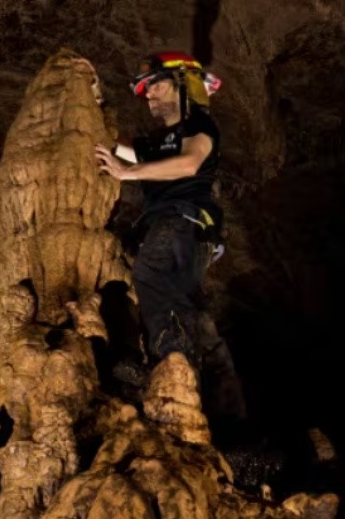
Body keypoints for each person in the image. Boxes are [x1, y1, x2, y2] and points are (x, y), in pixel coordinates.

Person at [94, 51, 247, 425]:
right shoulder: (160, 140)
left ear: (183, 85)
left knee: (151, 275)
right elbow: (115, 144)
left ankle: (171, 367)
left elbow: (191, 162)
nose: (148, 94)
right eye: (145, 89)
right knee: (193, 311)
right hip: (179, 226)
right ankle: (228, 414)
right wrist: (93, 100)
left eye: (155, 84)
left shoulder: (199, 125)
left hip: (186, 219)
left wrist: (128, 175)